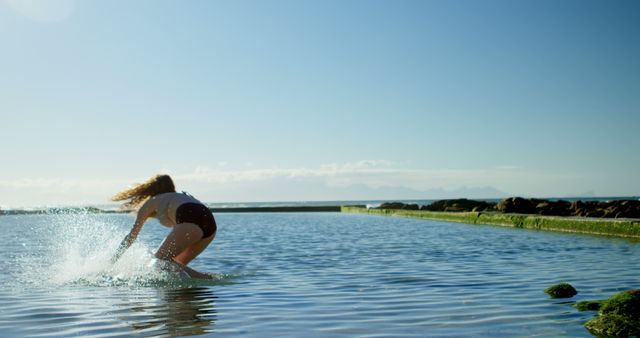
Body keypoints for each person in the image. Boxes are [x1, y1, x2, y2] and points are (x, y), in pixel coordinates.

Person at [111, 174, 217, 279]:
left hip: (191, 219)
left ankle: (205, 278)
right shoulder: (180, 197)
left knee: (159, 263)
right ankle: (205, 280)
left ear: (150, 189)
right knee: (175, 266)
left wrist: (113, 260)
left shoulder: (153, 201)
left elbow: (131, 236)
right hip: (210, 224)